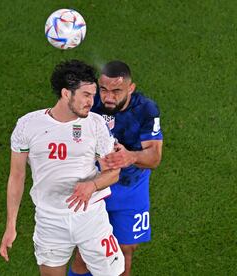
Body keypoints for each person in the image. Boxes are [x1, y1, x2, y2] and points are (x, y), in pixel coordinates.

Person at [0, 59, 125, 276]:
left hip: (91, 217)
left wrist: (92, 186)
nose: (91, 101)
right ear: (66, 94)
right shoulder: (27, 125)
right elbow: (17, 176)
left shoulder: (95, 124)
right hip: (50, 220)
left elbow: (113, 172)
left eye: (93, 95)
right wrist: (11, 224)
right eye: (86, 95)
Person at [69, 61, 163, 276]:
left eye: (116, 91)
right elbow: (71, 138)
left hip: (130, 190)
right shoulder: (89, 103)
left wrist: (130, 156)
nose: (108, 97)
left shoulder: (145, 110)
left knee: (122, 254)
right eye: (104, 90)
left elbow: (154, 157)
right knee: (85, 252)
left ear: (131, 88)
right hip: (94, 185)